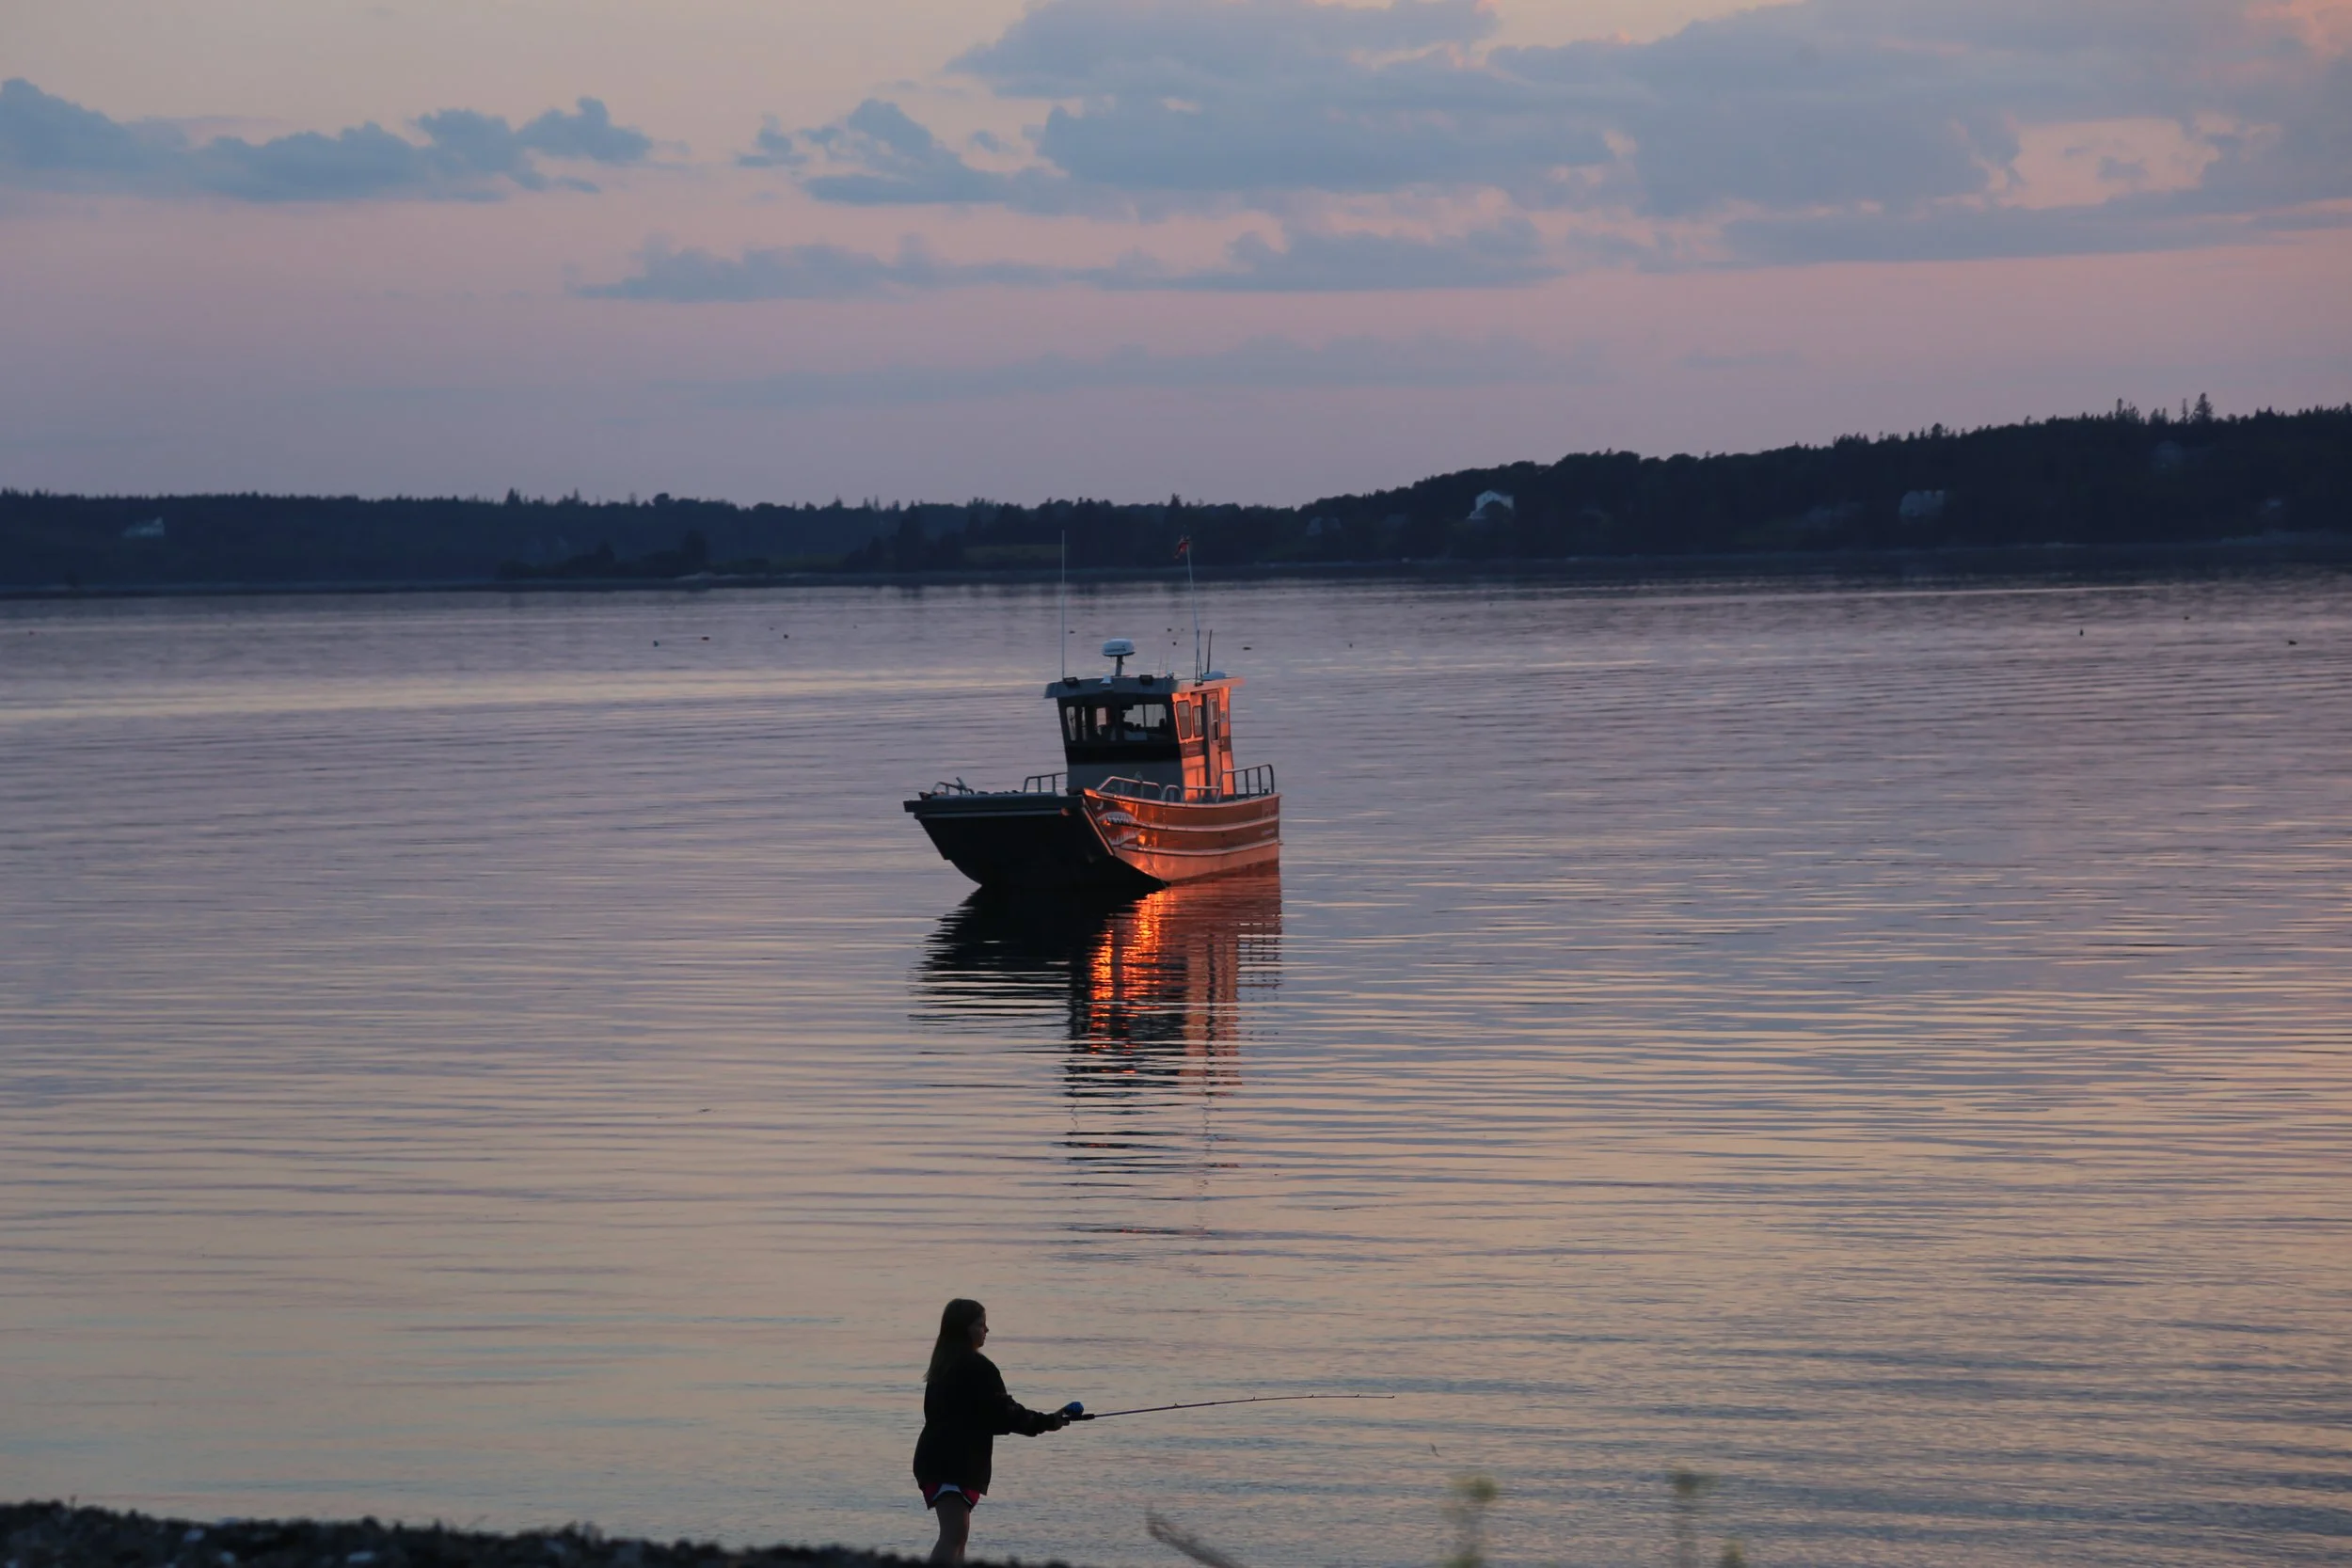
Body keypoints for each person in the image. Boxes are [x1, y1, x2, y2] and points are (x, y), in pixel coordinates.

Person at [912, 1298, 1069, 1564]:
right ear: (965, 1329)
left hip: (940, 1460)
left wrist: (1045, 1422)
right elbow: (1005, 1414)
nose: (987, 1330)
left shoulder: (943, 1367)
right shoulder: (978, 1367)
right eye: (981, 1324)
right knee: (953, 1536)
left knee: (957, 1538)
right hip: (953, 1463)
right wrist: (1048, 1422)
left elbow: (987, 1417)